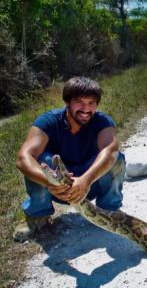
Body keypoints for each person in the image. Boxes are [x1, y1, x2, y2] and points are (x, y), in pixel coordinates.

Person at [13, 77, 125, 241]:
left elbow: (111, 150)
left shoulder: (102, 121)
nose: (86, 109)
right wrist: (48, 181)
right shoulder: (48, 121)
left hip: (88, 185)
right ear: (67, 102)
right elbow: (23, 158)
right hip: (55, 187)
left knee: (117, 158)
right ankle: (37, 216)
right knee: (40, 160)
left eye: (91, 103)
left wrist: (86, 180)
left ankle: (109, 212)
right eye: (79, 102)